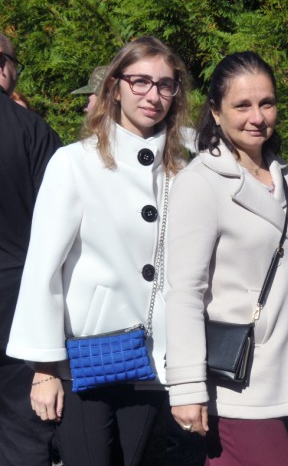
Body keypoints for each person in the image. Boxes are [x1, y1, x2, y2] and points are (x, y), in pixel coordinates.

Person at [6, 35, 190, 466]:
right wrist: (44, 369)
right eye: (140, 81)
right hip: (84, 362)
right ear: (115, 86)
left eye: (166, 84)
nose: (153, 94)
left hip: (151, 359)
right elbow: (43, 268)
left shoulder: (185, 168)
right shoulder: (74, 163)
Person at [165, 51, 288, 465]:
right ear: (216, 113)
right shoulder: (200, 184)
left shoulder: (281, 174)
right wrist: (186, 388)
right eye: (242, 105)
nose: (257, 116)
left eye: (266, 103)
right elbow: (184, 291)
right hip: (238, 381)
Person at [0, 34, 62, 466]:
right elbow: (58, 230)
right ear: (3, 66)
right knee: (23, 432)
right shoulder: (34, 131)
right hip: (17, 302)